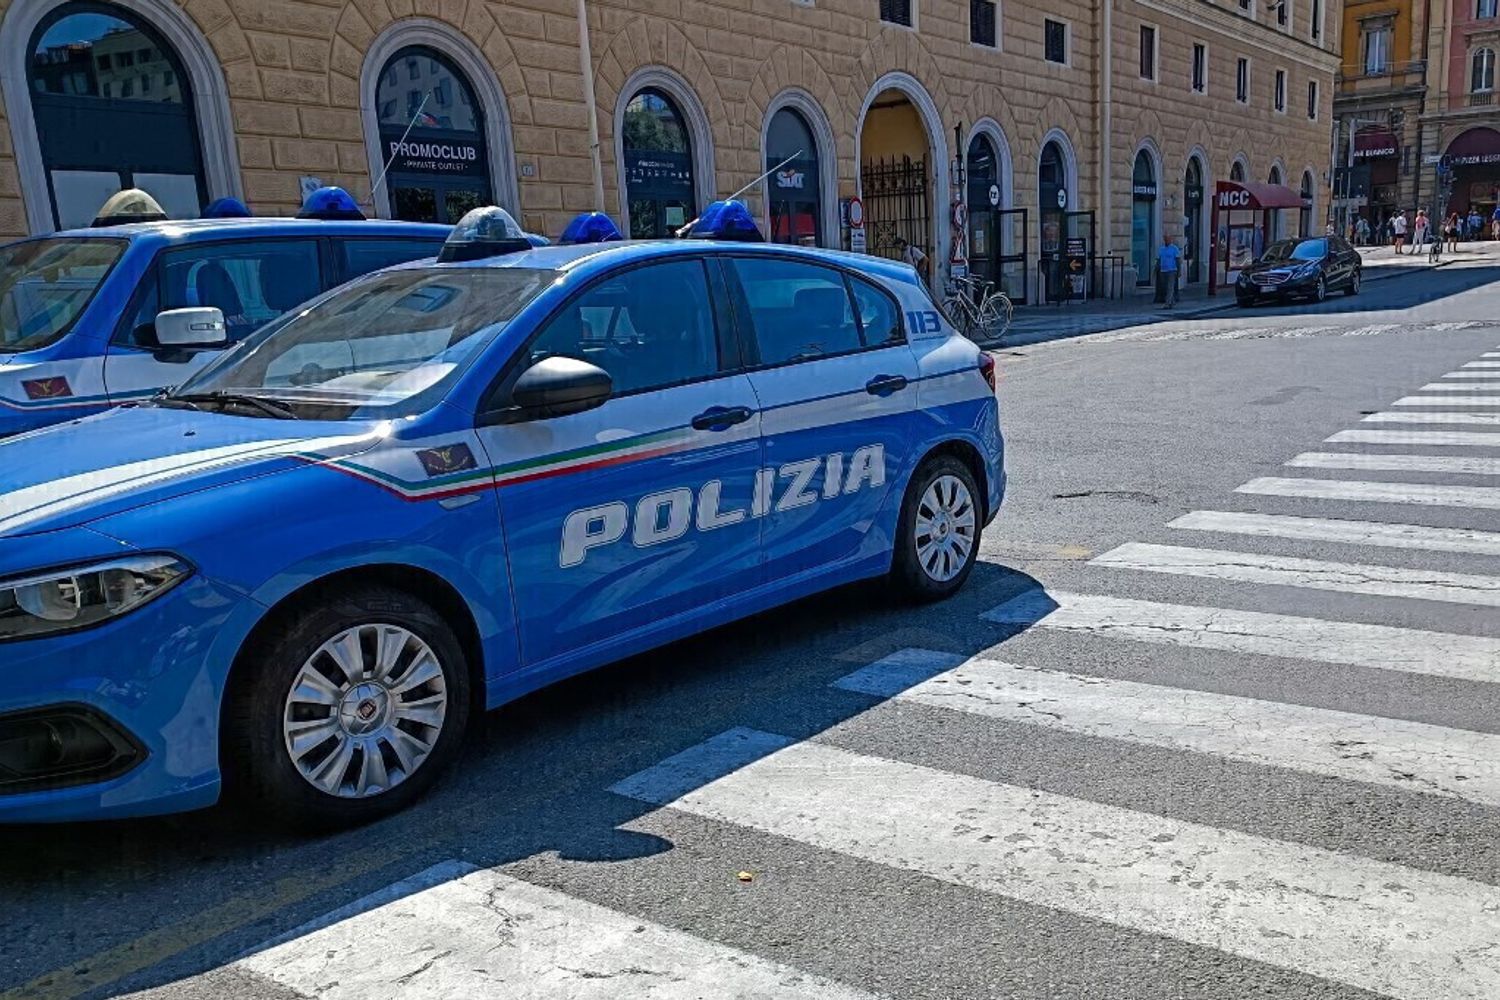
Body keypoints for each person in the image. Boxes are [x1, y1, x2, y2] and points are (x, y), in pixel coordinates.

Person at [1157, 233, 1182, 308]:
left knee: (1170, 287)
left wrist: (1179, 270)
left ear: (1171, 240)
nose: (1166, 241)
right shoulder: (1161, 249)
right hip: (1163, 270)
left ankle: (1167, 303)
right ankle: (1172, 301)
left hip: (1172, 270)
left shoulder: (1174, 249)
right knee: (1164, 287)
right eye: (1165, 239)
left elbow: (1178, 260)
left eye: (1168, 239)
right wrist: (1156, 269)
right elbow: (1159, 260)